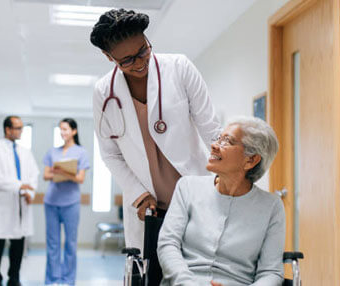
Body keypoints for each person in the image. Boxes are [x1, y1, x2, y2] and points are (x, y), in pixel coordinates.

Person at [90, 8, 221, 250]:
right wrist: (138, 194)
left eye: (143, 51)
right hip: (148, 208)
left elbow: (211, 129)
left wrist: (229, 175)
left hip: (195, 196)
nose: (139, 63)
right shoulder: (103, 92)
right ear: (109, 57)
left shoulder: (179, 68)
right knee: (148, 274)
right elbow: (110, 153)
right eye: (127, 60)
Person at [158, 116, 285, 286]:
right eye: (219, 138)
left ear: (251, 160)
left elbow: (271, 272)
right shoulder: (187, 187)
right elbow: (168, 244)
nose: (214, 145)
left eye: (228, 141)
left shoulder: (271, 206)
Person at [0, 115, 39, 286]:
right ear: (7, 130)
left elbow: (34, 175)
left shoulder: (25, 152)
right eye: (18, 128)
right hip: (3, 203)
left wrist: (30, 192)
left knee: (18, 244)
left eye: (22, 128)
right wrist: (20, 185)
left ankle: (14, 278)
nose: (21, 131)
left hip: (22, 203)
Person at [42, 118, 90, 286]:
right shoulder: (52, 152)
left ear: (74, 131)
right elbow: (46, 175)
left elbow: (80, 178)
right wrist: (58, 173)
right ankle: (52, 280)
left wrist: (64, 173)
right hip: (51, 202)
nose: (63, 133)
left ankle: (68, 280)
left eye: (65, 129)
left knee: (70, 243)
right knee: (52, 244)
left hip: (71, 203)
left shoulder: (81, 152)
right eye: (60, 129)